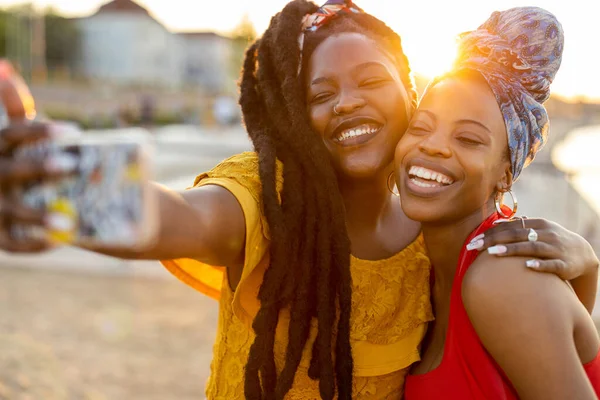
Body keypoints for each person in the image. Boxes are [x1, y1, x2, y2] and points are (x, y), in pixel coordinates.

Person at [0, 1, 597, 399]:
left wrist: (586, 265)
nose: (346, 103)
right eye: (320, 93)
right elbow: (181, 218)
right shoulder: (271, 199)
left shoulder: (439, 250)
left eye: (371, 82)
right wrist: (53, 186)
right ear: (295, 116)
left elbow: (535, 347)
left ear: (408, 95)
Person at [398, 7, 600, 399]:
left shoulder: (499, 278)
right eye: (420, 126)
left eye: (469, 139)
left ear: (506, 173)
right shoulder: (421, 268)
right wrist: (589, 269)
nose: (433, 145)